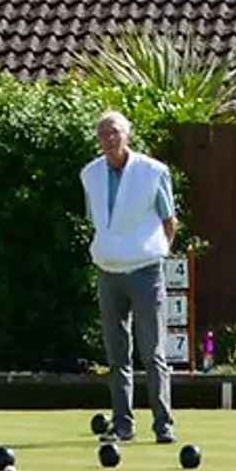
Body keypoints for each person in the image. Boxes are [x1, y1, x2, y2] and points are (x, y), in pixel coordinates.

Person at [80, 110, 178, 444]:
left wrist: (154, 251)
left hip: (145, 269)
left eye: (115, 132)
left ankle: (163, 424)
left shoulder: (153, 171)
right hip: (108, 270)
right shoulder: (90, 174)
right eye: (103, 133)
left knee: (153, 351)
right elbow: (97, 219)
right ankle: (123, 424)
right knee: (116, 353)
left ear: (128, 135)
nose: (109, 139)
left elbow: (169, 221)